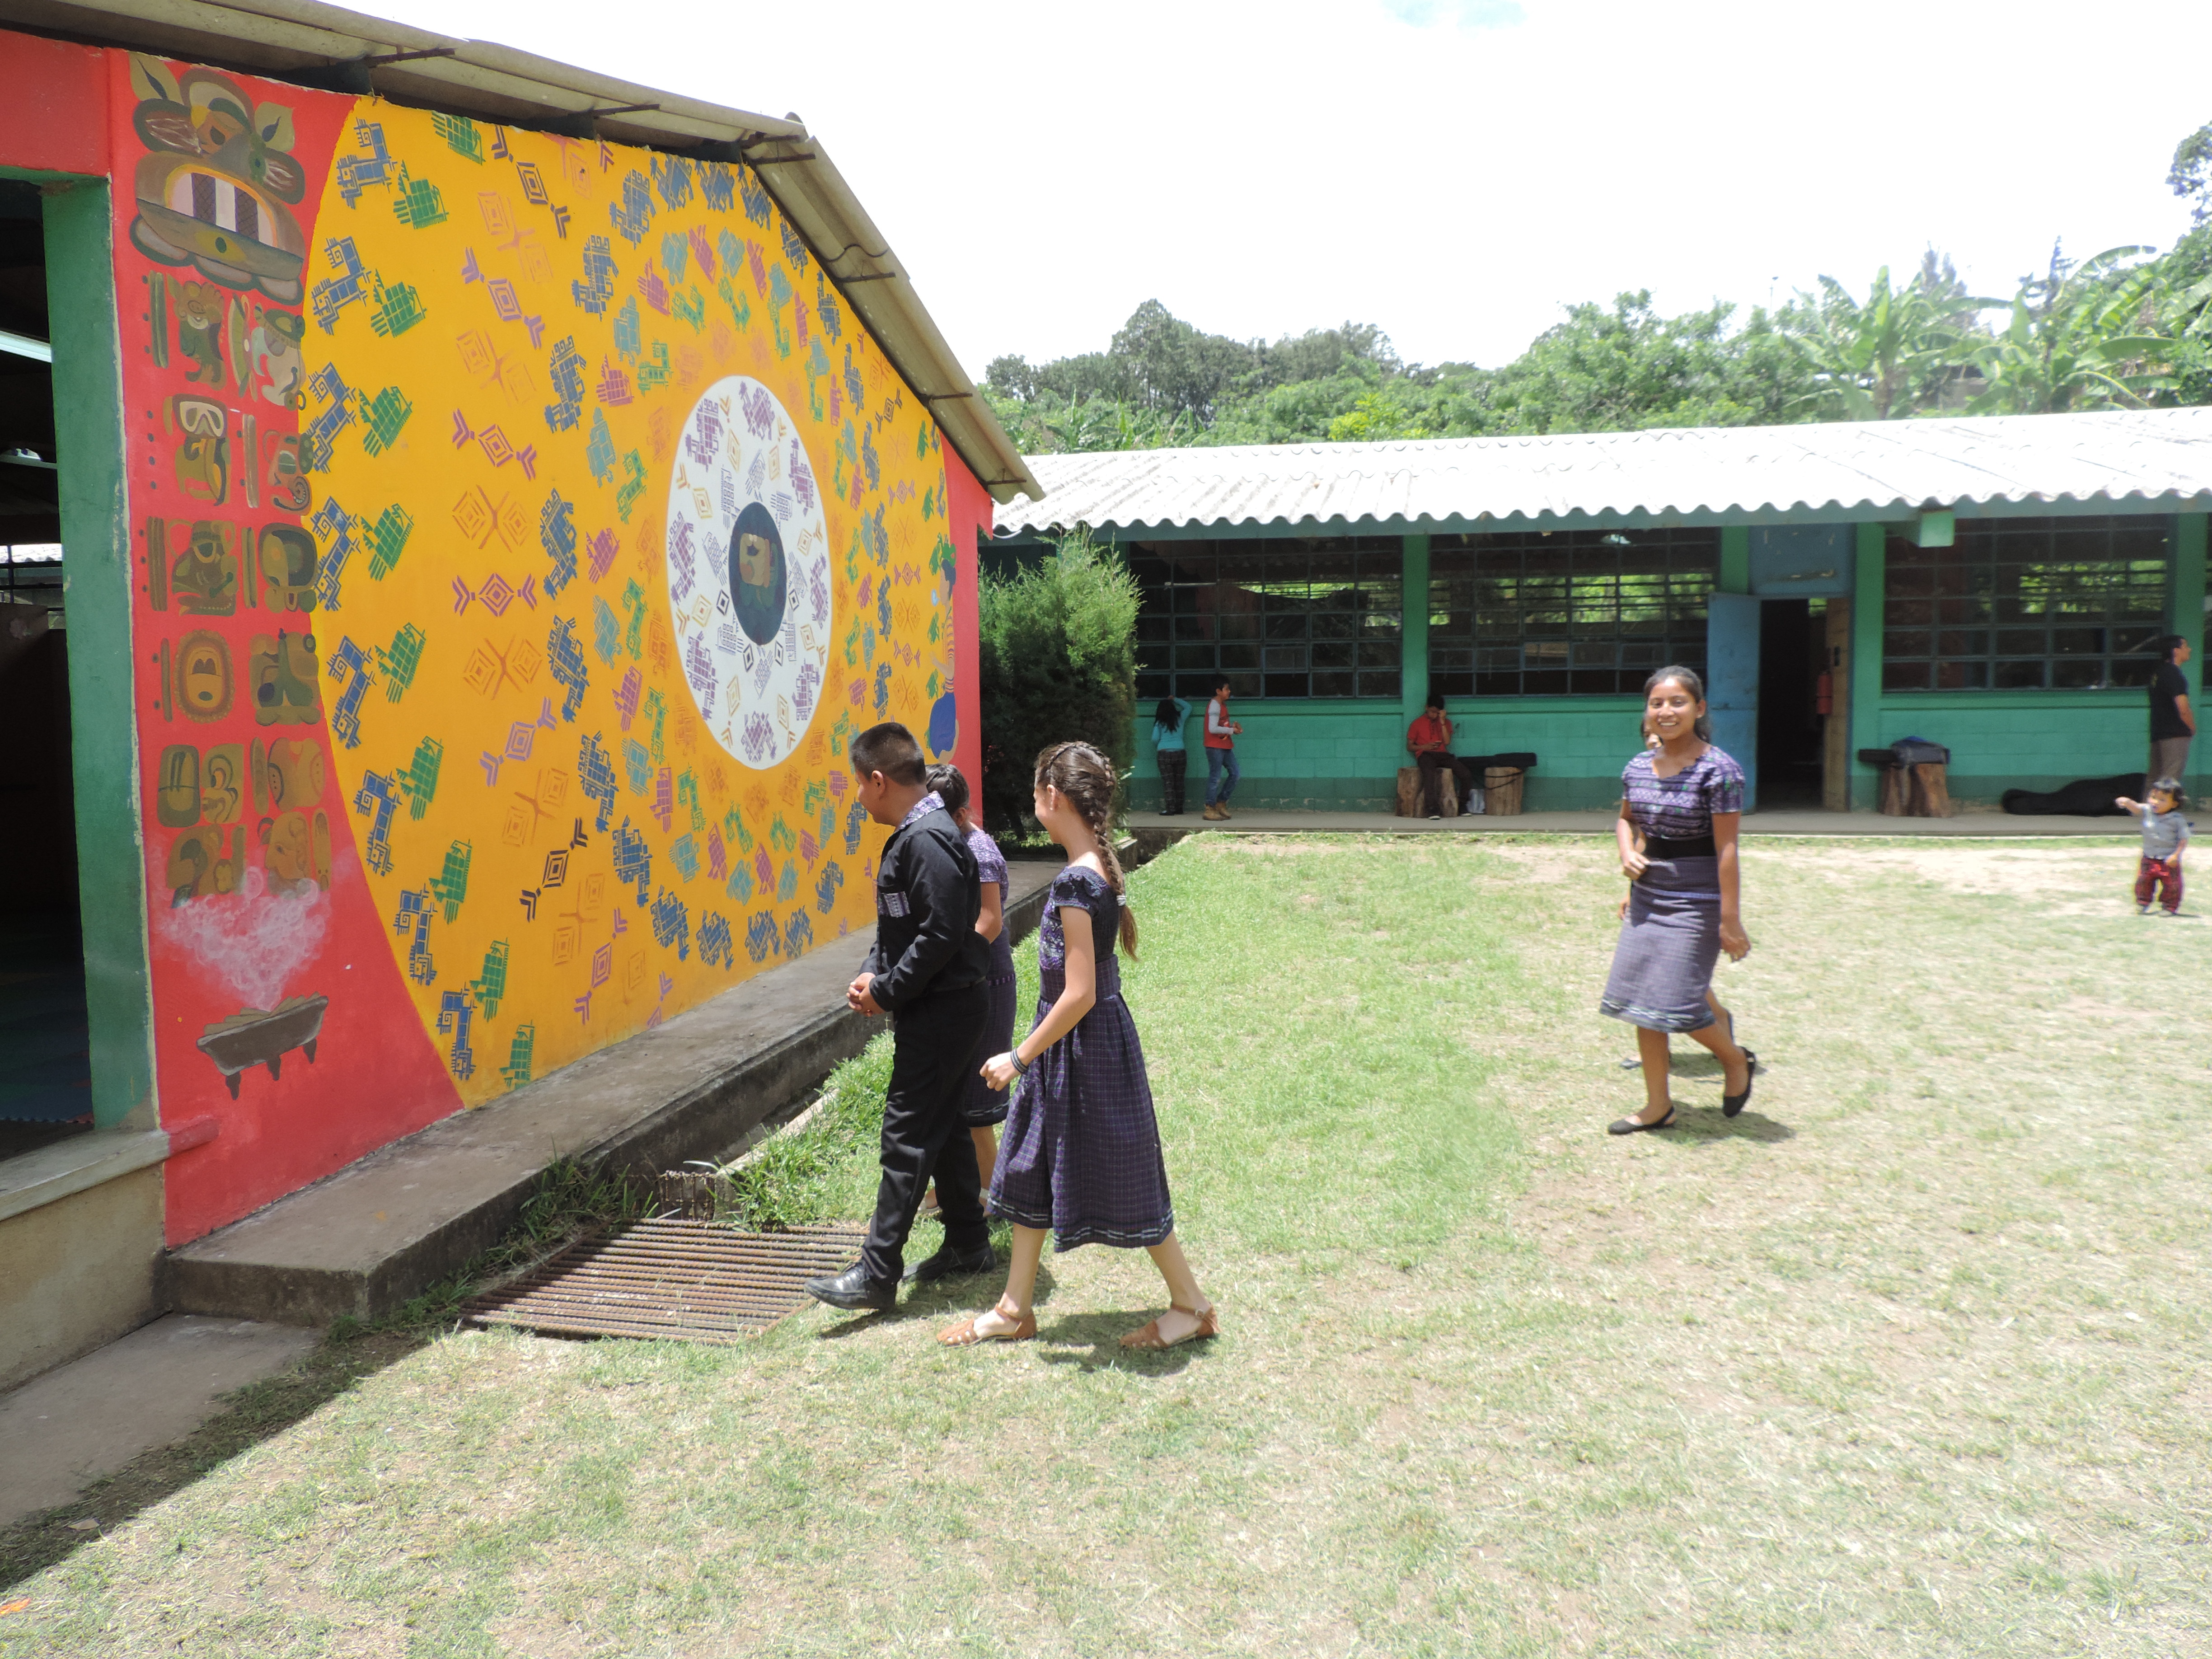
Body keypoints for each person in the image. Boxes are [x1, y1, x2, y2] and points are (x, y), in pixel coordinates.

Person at [938, 740, 1218, 1351]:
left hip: (1083, 1051)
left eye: (1036, 789)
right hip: (1077, 1049)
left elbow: (1081, 992)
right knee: (1029, 1165)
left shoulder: (1074, 882)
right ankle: (1014, 1308)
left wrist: (1017, 1058)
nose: (1032, 798)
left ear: (1053, 797)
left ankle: (1192, 1306)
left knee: (1129, 1173)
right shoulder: (1095, 868)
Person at [802, 723, 994, 1312]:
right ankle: (967, 1243)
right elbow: (902, 927)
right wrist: (873, 971)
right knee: (948, 1125)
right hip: (940, 1006)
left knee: (907, 1133)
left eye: (859, 785)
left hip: (944, 1009)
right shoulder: (915, 836)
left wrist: (887, 990)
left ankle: (876, 1272)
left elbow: (940, 935)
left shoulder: (928, 841)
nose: (858, 797)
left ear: (880, 781)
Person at [1600, 666, 1758, 1135]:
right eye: (1657, 703)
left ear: (1699, 708)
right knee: (1642, 1005)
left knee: (1678, 1003)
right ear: (1647, 712)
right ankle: (1658, 1106)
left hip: (1697, 894)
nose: (1666, 711)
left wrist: (1730, 921)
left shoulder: (1720, 770)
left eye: (1678, 702)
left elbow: (1727, 849)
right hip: (1650, 892)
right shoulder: (1636, 767)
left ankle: (1735, 1060)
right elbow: (1628, 822)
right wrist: (1628, 855)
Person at [916, 762, 1014, 1221]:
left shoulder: (979, 849)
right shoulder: (949, 844)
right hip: (962, 981)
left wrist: (949, 962)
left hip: (985, 983)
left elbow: (990, 921)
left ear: (960, 814)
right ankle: (947, 1191)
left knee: (977, 1104)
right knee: (951, 1099)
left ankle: (991, 1194)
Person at [2116, 777, 2189, 915]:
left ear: (2174, 803)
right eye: (2153, 797)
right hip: (2149, 857)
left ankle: (2169, 907)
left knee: (2172, 885)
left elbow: (2183, 839)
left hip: (2168, 859)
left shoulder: (2177, 820)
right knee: (2144, 881)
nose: (2156, 802)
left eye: (2162, 800)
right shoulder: (2148, 811)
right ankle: (2142, 903)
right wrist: (2127, 802)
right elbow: (2137, 808)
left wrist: (2176, 855)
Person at [1406, 692, 1479, 819]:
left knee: (1466, 774)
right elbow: (1409, 746)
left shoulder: (1446, 723)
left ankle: (1462, 804)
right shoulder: (1417, 723)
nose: (1433, 715)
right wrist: (1425, 747)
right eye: (1431, 711)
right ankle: (1432, 809)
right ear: (1426, 708)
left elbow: (1447, 742)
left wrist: (1443, 722)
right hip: (1425, 755)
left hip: (1443, 755)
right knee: (1429, 775)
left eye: (1437, 712)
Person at [2149, 635, 2195, 787]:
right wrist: (2191, 727)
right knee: (2169, 781)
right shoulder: (2174, 674)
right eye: (2186, 646)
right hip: (2175, 735)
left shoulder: (2158, 673)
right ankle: (2164, 810)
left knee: (2154, 778)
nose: (2189, 650)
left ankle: (2145, 809)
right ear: (2176, 651)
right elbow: (2183, 708)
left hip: (2158, 733)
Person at [1201, 675, 1243, 822]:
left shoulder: (1222, 705)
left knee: (1236, 773)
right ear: (1218, 691)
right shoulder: (1214, 705)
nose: (1229, 692)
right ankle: (1210, 808)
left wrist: (1232, 729)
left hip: (1225, 745)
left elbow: (1221, 726)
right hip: (1215, 747)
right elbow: (1212, 728)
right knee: (1216, 778)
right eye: (1226, 689)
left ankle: (1221, 802)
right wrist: (1232, 731)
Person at [1151, 694, 1192, 816]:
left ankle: (1170, 809)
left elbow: (1154, 739)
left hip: (1164, 753)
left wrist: (1160, 746)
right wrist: (1174, 699)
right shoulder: (1180, 718)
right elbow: (1189, 707)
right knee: (1179, 781)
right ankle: (1179, 808)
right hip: (1180, 752)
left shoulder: (1159, 723)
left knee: (1168, 782)